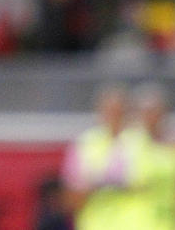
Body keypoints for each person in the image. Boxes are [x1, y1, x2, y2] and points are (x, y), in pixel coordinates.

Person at [61, 85, 143, 230]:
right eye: (110, 111)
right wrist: (99, 184)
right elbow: (71, 198)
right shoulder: (85, 144)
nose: (115, 117)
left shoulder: (142, 142)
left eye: (120, 112)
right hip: (95, 224)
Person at [127, 84, 175, 230]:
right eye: (146, 112)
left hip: (169, 223)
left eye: (155, 112)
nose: (151, 117)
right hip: (137, 222)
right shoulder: (128, 145)